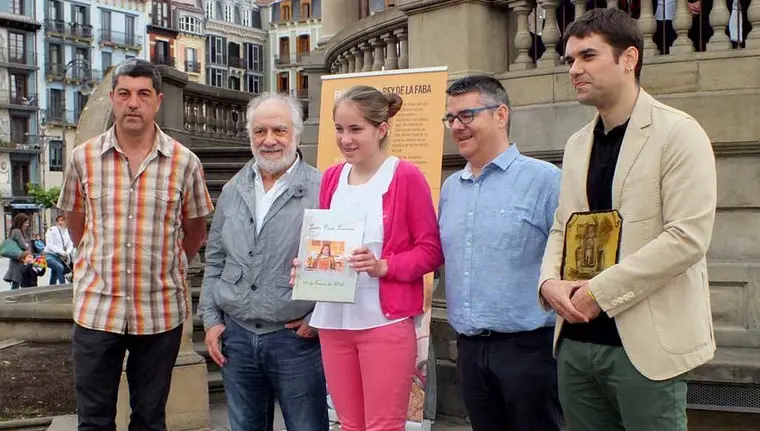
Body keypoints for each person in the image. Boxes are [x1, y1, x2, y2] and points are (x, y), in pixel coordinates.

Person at [539, 9, 717, 431]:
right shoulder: (577, 144)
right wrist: (548, 283)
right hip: (575, 341)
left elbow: (687, 238)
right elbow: (562, 227)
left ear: (628, 58)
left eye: (587, 56)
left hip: (646, 346)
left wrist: (598, 292)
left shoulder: (678, 132)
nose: (575, 70)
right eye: (569, 60)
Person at [57, 58, 213, 431]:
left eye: (143, 94)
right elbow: (77, 224)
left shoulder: (184, 162)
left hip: (159, 312)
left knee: (149, 418)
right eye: (124, 93)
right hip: (97, 311)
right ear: (112, 99)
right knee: (93, 421)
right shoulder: (84, 158)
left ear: (157, 101)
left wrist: (164, 264)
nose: (133, 103)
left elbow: (195, 232)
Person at [303, 85, 443, 431]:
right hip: (334, 322)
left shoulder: (405, 176)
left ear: (381, 130)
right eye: (339, 128)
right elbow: (326, 240)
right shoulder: (332, 178)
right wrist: (307, 266)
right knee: (349, 425)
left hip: (384, 322)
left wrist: (384, 266)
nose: (345, 139)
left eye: (355, 129)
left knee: (383, 426)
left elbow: (431, 251)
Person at [197, 92, 328, 431]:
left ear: (296, 134)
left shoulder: (323, 189)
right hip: (236, 338)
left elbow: (338, 263)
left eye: (279, 131)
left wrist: (319, 316)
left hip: (296, 341)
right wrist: (211, 320)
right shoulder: (232, 189)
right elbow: (215, 259)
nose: (269, 140)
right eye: (260, 131)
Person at [438, 75, 563, 431]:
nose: (457, 127)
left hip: (528, 352)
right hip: (469, 351)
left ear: (501, 114)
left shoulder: (545, 181)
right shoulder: (451, 188)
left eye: (467, 115)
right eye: (451, 119)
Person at [3, 214, 32, 290]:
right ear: (20, 222)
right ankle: (12, 297)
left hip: (17, 259)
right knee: (16, 282)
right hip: (18, 261)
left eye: (28, 223)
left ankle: (14, 297)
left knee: (17, 282)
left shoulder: (15, 231)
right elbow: (23, 246)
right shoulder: (17, 231)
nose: (27, 225)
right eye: (25, 223)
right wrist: (27, 245)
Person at [44, 215, 74, 285]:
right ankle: (62, 287)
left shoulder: (67, 232)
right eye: (58, 220)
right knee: (60, 267)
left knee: (54, 273)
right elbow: (49, 244)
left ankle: (51, 289)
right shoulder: (52, 230)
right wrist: (63, 252)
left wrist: (67, 253)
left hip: (59, 257)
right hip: (49, 255)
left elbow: (70, 244)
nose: (60, 222)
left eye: (62, 220)